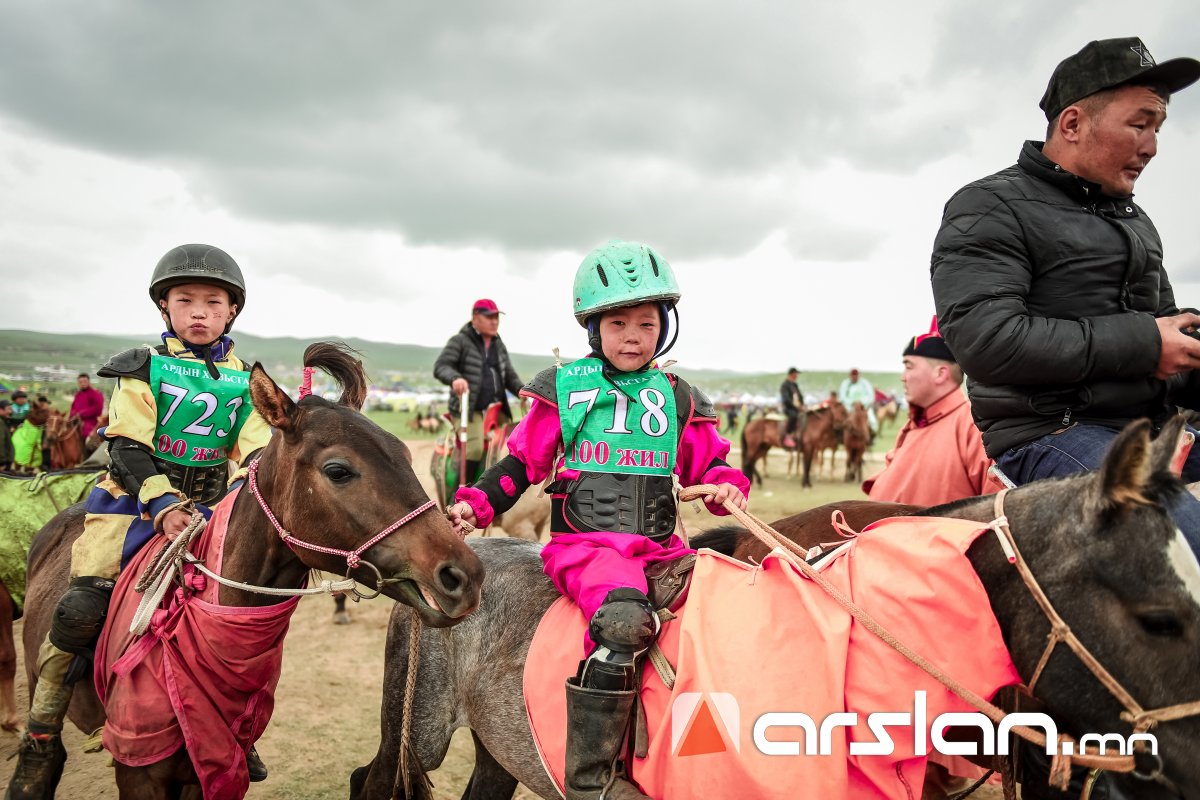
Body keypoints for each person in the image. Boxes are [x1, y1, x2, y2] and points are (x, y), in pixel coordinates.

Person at [930, 38, 1200, 799]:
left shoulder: (1135, 221)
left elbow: (1162, 341)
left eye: (1159, 128)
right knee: (1182, 546)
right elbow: (988, 341)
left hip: (1140, 431)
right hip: (1049, 434)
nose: (1152, 146)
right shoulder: (987, 206)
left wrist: (1184, 347)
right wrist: (1145, 342)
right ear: (1073, 123)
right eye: (1139, 123)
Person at [447, 240, 749, 800]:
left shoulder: (679, 398)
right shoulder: (566, 388)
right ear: (593, 328)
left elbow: (710, 466)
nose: (633, 336)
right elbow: (521, 465)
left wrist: (726, 487)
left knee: (728, 612)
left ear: (665, 327)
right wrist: (476, 504)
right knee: (625, 620)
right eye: (618, 323)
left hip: (664, 549)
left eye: (646, 323)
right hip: (587, 549)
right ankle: (592, 776)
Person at [7, 243, 275, 799]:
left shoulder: (245, 380)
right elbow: (127, 445)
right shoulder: (142, 368)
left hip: (208, 510)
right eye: (185, 300)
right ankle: (42, 734)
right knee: (80, 608)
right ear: (164, 307)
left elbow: (253, 450)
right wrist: (163, 503)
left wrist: (245, 488)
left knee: (237, 614)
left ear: (231, 311)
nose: (199, 312)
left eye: (213, 302)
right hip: (132, 505)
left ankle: (231, 725)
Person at [862, 318, 1002, 506]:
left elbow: (995, 506)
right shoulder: (911, 427)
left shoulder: (973, 425)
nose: (903, 377)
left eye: (909, 366)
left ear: (940, 374)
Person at [433, 298, 525, 483]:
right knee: (474, 449)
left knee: (519, 438)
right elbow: (441, 366)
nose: (494, 321)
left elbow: (509, 375)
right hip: (469, 409)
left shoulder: (499, 345)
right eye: (489, 317)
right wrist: (455, 378)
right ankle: (463, 491)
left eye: (496, 317)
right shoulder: (460, 341)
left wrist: (523, 391)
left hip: (496, 410)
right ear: (475, 318)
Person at [837, 368, 877, 437]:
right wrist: (852, 402)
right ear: (850, 376)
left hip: (863, 407)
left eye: (856, 376)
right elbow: (842, 396)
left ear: (859, 376)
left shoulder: (865, 383)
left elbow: (871, 396)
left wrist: (862, 403)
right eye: (853, 376)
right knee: (839, 422)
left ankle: (872, 435)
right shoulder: (846, 384)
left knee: (872, 420)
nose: (854, 377)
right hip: (849, 407)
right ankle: (839, 436)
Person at [10, 403, 47, 473]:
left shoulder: (37, 429)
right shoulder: (32, 423)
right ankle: (19, 470)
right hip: (24, 447)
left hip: (31, 442)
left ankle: (27, 470)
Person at [69, 373, 105, 441]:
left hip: (90, 423)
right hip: (76, 422)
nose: (82, 384)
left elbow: (98, 409)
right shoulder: (78, 395)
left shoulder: (96, 393)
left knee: (87, 438)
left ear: (89, 382)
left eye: (85, 381)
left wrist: (81, 414)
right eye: (80, 382)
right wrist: (73, 415)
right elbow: (72, 409)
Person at [779, 367, 803, 447]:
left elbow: (800, 396)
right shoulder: (785, 385)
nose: (797, 376)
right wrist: (796, 407)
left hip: (797, 407)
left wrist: (802, 404)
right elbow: (786, 399)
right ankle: (788, 435)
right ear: (791, 374)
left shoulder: (795, 385)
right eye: (796, 374)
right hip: (788, 408)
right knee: (793, 416)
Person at [0, 400, 13, 470]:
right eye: (8, 409)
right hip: (3, 462)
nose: (11, 411)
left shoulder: (4, 421)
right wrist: (2, 462)